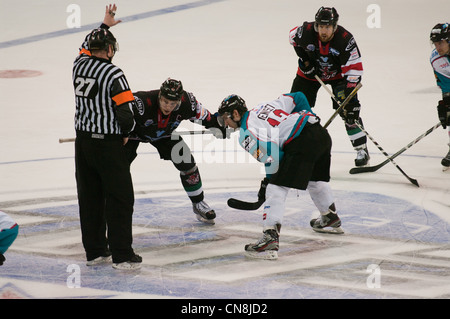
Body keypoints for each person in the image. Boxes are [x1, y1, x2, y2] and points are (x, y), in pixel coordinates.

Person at [218, 92, 343, 260]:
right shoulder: (264, 105)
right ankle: (329, 216)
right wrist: (309, 117)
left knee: (276, 188)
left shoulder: (245, 133)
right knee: (314, 179)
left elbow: (274, 156)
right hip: (320, 133)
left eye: (225, 118)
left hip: (301, 141)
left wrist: (269, 180)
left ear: (235, 113)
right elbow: (299, 97)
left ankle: (270, 238)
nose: (225, 123)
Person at [73, 4, 143, 269]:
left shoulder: (79, 65)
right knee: (120, 198)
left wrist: (103, 26)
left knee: (90, 196)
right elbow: (125, 113)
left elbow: (83, 46)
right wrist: (126, 134)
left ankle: (95, 251)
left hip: (83, 144)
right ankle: (122, 256)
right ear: (111, 50)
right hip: (108, 144)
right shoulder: (114, 73)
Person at [126, 78, 228, 225]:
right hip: (132, 136)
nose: (168, 106)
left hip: (164, 135)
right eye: (165, 101)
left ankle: (198, 203)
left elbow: (206, 117)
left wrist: (217, 127)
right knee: (118, 169)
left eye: (172, 103)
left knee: (188, 164)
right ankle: (108, 204)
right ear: (159, 96)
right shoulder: (142, 102)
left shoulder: (188, 103)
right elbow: (119, 114)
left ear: (179, 101)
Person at [289, 6, 369, 167]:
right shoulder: (306, 32)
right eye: (321, 26)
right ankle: (293, 149)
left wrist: (350, 99)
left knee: (349, 112)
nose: (323, 31)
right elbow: (292, 38)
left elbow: (354, 70)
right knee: (295, 109)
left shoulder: (345, 40)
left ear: (335, 26)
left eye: (328, 27)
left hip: (339, 77)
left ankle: (361, 149)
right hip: (311, 75)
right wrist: (305, 62)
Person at [430, 23, 450, 171]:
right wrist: (446, 103)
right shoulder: (436, 59)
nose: (438, 47)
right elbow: (446, 85)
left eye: (441, 42)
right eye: (435, 43)